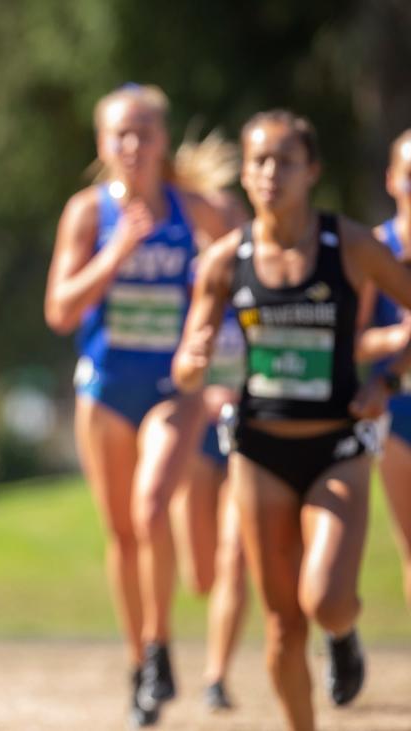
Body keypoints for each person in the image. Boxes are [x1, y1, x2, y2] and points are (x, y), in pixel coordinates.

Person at [172, 109, 411, 731]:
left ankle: (345, 632)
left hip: (338, 447)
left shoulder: (350, 245)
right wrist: (194, 364)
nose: (271, 172)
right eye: (259, 160)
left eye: (285, 160)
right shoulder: (228, 259)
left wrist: (388, 379)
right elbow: (187, 362)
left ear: (312, 171)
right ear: (246, 175)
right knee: (282, 626)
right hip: (258, 452)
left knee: (326, 602)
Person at [44, 83, 238, 727]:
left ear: (162, 140)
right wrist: (118, 251)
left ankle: (158, 646)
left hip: (173, 390)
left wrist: (221, 353)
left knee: (153, 507)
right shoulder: (87, 212)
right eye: (119, 134)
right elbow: (61, 310)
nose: (131, 145)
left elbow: (250, 264)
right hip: (103, 391)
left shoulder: (197, 210)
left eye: (144, 132)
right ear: (103, 144)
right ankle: (142, 663)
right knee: (123, 535)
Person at [169, 307, 247, 712]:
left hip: (249, 434)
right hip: (198, 433)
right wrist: (200, 392)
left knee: (233, 557)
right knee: (200, 576)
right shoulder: (189, 278)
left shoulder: (263, 275)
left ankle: (216, 676)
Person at [355, 129, 411, 612]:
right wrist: (396, 339)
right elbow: (348, 345)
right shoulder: (374, 248)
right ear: (393, 180)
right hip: (398, 412)